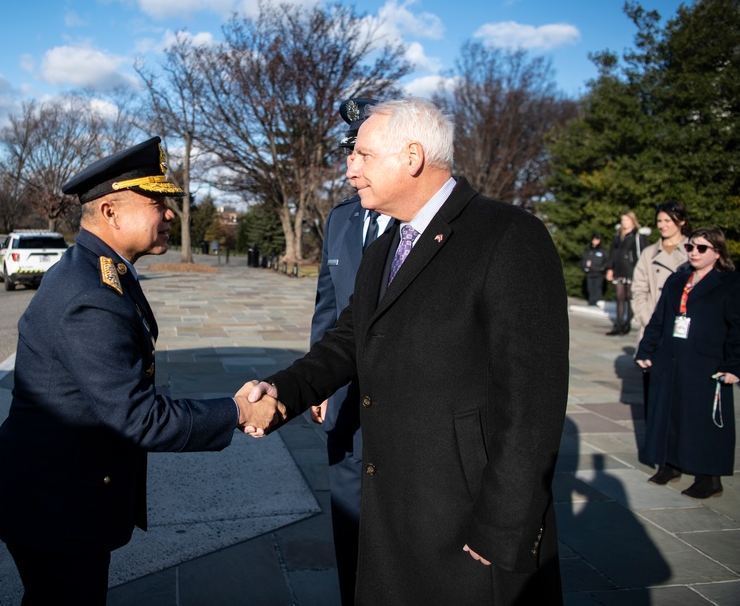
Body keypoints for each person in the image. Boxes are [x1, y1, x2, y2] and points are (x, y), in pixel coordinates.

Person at [245, 98, 569, 604]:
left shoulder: (508, 236)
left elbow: (533, 402)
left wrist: (504, 525)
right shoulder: (385, 246)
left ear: (412, 156)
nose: (350, 168)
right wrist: (282, 391)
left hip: (464, 519)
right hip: (393, 506)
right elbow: (347, 340)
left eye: (363, 155)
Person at [0, 137, 283, 605]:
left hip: (59, 494)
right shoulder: (89, 294)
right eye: (156, 202)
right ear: (110, 213)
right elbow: (139, 416)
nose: (170, 214)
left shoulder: (103, 271)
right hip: (55, 506)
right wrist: (237, 411)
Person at [310, 96, 392, 605]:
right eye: (349, 152)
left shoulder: (418, 226)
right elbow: (327, 305)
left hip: (397, 405)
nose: (350, 165)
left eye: (361, 153)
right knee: (347, 524)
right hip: (344, 402)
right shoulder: (341, 220)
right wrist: (317, 380)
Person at [635, 227, 739, 499]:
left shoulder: (729, 283)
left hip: (707, 364)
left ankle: (710, 477)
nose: (694, 252)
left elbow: (737, 328)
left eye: (701, 248)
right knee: (669, 412)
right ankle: (669, 464)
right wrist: (646, 350)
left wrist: (733, 366)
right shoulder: (677, 280)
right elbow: (659, 318)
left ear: (717, 253)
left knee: (704, 421)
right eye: (691, 247)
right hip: (670, 360)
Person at [631, 200, 691, 414]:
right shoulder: (649, 253)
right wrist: (649, 318)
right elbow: (639, 289)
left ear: (681, 221)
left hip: (684, 330)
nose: (662, 225)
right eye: (659, 220)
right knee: (653, 395)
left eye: (668, 220)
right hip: (653, 328)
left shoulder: (694, 250)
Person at [605, 211, 648, 335]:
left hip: (632, 269)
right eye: (622, 220)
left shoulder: (638, 236)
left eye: (627, 220)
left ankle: (626, 324)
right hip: (619, 269)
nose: (624, 223)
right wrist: (610, 268)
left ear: (632, 221)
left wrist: (641, 270)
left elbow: (643, 253)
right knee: (619, 297)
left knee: (630, 297)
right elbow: (613, 252)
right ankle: (618, 325)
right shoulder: (617, 235)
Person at [580, 233, 608, 307]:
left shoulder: (603, 250)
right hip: (590, 273)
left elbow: (607, 261)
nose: (596, 241)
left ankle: (596, 303)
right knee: (590, 288)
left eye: (597, 239)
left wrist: (602, 268)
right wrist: (585, 267)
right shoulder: (588, 250)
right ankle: (591, 303)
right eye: (595, 239)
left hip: (599, 273)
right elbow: (583, 260)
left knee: (597, 288)